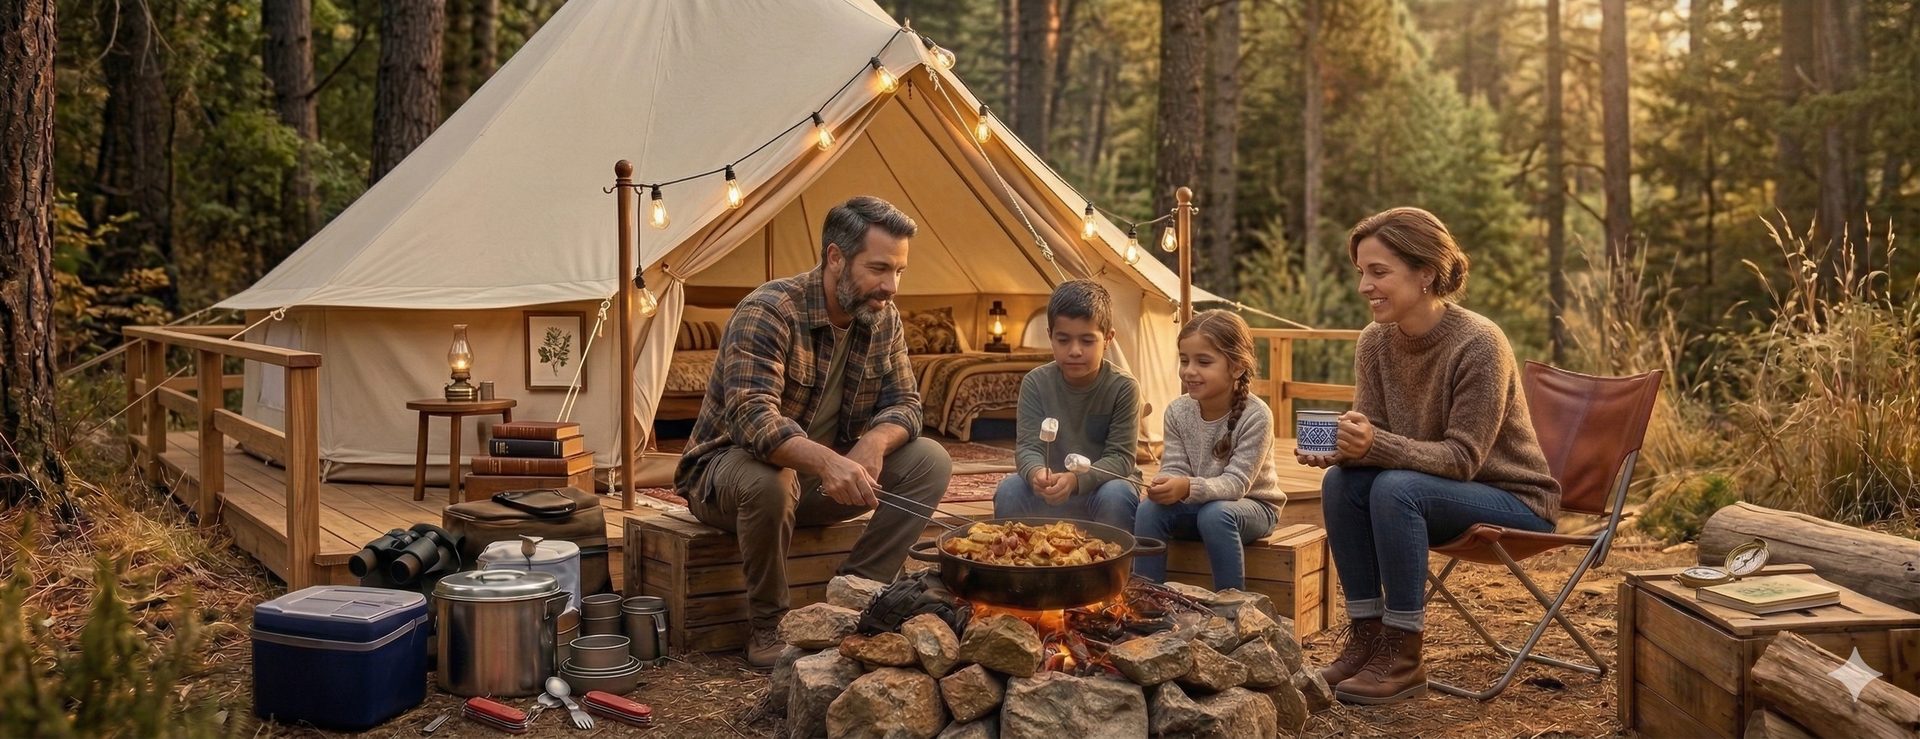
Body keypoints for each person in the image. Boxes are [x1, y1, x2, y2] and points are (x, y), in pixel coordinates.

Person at [674, 196, 952, 668]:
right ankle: (769, 626)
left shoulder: (882, 318)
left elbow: (906, 404)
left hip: (818, 486)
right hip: (727, 478)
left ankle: (852, 600)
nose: (891, 286)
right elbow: (753, 419)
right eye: (879, 268)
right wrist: (828, 461)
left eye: (899, 271)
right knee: (772, 479)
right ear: (835, 257)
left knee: (930, 459)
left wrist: (874, 441)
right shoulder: (770, 310)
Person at [1302, 207, 1560, 705]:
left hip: (1512, 498)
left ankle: (1404, 654)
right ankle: (1367, 639)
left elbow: (1464, 457)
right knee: (1343, 484)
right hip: (1426, 494)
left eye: (1379, 272)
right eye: (1361, 272)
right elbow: (1376, 436)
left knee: (1397, 487)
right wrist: (1345, 449)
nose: (1364, 287)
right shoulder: (1374, 341)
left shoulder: (1479, 342)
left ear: (1425, 273)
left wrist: (1373, 446)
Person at [1131, 309, 1283, 590]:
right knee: (1150, 510)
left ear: (1237, 367)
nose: (1189, 371)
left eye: (1203, 362)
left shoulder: (1256, 416)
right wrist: (1167, 484)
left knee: (1216, 514)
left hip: (1253, 508)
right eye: (1184, 360)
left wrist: (1187, 487)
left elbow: (1236, 484)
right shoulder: (1178, 410)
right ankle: (1146, 596)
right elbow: (1175, 466)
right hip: (1199, 506)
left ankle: (1231, 605)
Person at [993, 279, 1142, 532]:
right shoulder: (1036, 383)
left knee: (1117, 495)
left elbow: (1120, 458)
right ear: (1050, 335)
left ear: (1108, 338)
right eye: (1063, 340)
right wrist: (1037, 474)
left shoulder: (1123, 387)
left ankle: (1111, 568)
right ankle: (1016, 567)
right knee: (1010, 490)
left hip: (1101, 487)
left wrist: (1075, 480)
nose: (1075, 351)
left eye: (1087, 341)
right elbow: (1028, 447)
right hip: (1051, 489)